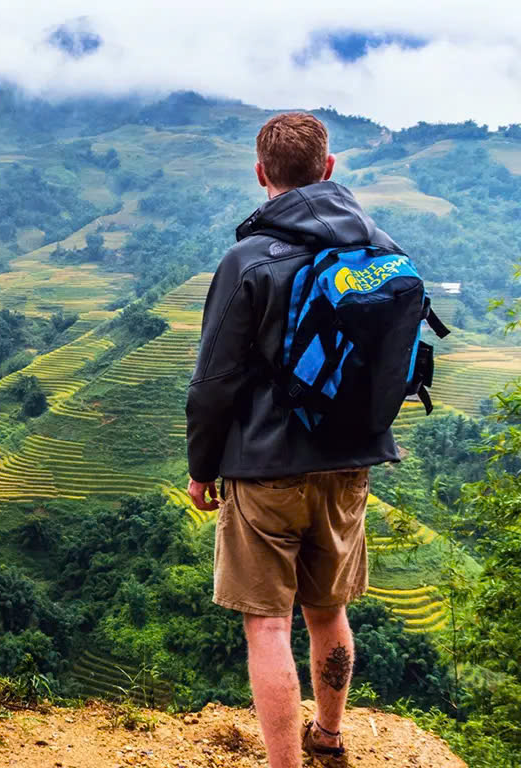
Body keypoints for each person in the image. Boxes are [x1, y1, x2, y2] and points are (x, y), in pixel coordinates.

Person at [184, 112, 400, 768]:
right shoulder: (376, 248)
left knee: (269, 625)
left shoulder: (248, 259)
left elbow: (213, 381)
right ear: (329, 169)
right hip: (348, 462)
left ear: (261, 174)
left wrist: (202, 468)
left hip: (266, 466)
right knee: (329, 609)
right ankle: (329, 738)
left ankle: (285, 765)